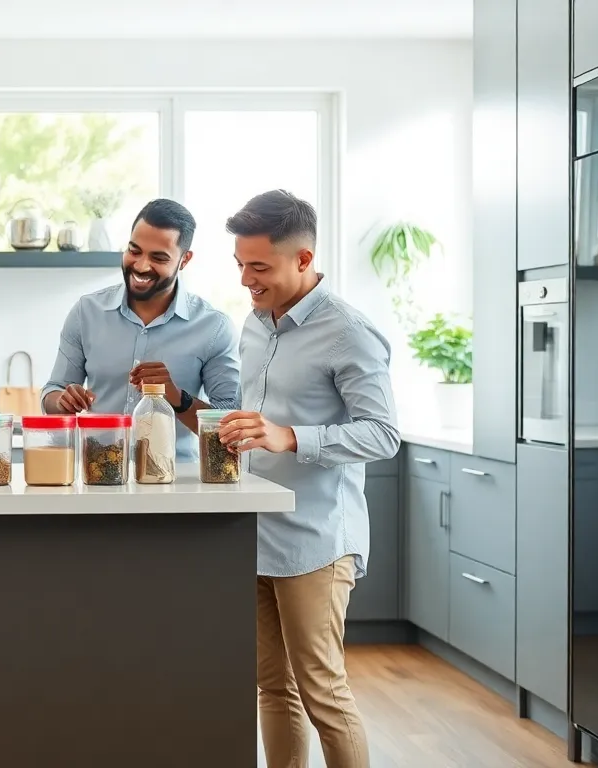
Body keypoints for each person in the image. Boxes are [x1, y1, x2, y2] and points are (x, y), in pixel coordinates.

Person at [216, 190, 399, 768]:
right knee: (273, 686)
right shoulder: (254, 323)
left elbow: (383, 434)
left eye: (260, 267)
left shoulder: (348, 331)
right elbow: (257, 417)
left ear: (303, 259)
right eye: (241, 265)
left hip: (318, 538)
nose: (247, 279)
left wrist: (291, 436)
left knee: (322, 689)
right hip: (259, 531)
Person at [41, 198, 241, 459]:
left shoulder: (214, 327)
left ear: (184, 260)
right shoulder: (86, 312)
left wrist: (178, 397)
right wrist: (62, 401)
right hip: (98, 475)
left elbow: (229, 423)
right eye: (134, 251)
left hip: (176, 483)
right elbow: (52, 391)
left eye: (158, 257)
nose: (141, 266)